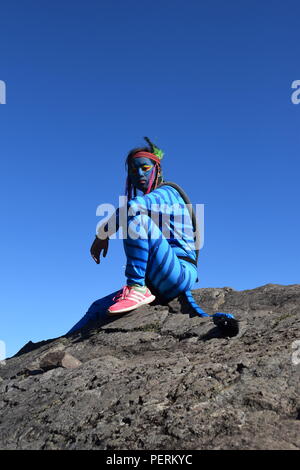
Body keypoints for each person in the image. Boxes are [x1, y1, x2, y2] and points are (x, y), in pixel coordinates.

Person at [90, 137, 199, 315]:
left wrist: (102, 235)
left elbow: (132, 207)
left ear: (158, 169)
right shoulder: (151, 203)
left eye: (145, 168)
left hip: (180, 272)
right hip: (159, 278)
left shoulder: (168, 192)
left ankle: (137, 288)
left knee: (135, 219)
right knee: (96, 308)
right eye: (134, 170)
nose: (139, 173)